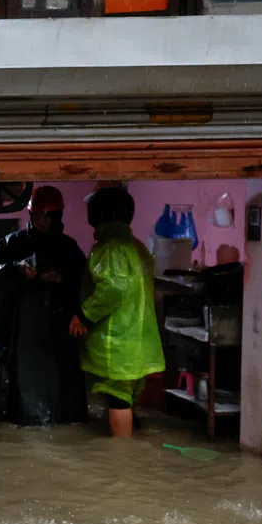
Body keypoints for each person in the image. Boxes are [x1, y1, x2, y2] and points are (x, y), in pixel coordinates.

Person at [0, 186, 88, 426]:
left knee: (63, 391)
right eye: (38, 216)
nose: (43, 222)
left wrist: (60, 279)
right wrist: (14, 269)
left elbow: (85, 283)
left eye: (48, 216)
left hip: (59, 330)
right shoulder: (11, 244)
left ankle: (63, 420)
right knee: (22, 387)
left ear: (58, 217)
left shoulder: (69, 248)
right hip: (21, 330)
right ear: (30, 215)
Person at [69, 187, 166, 438]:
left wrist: (84, 315)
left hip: (118, 342)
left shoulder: (109, 249)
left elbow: (113, 287)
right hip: (141, 341)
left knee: (118, 400)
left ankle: (120, 462)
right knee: (128, 398)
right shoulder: (139, 247)